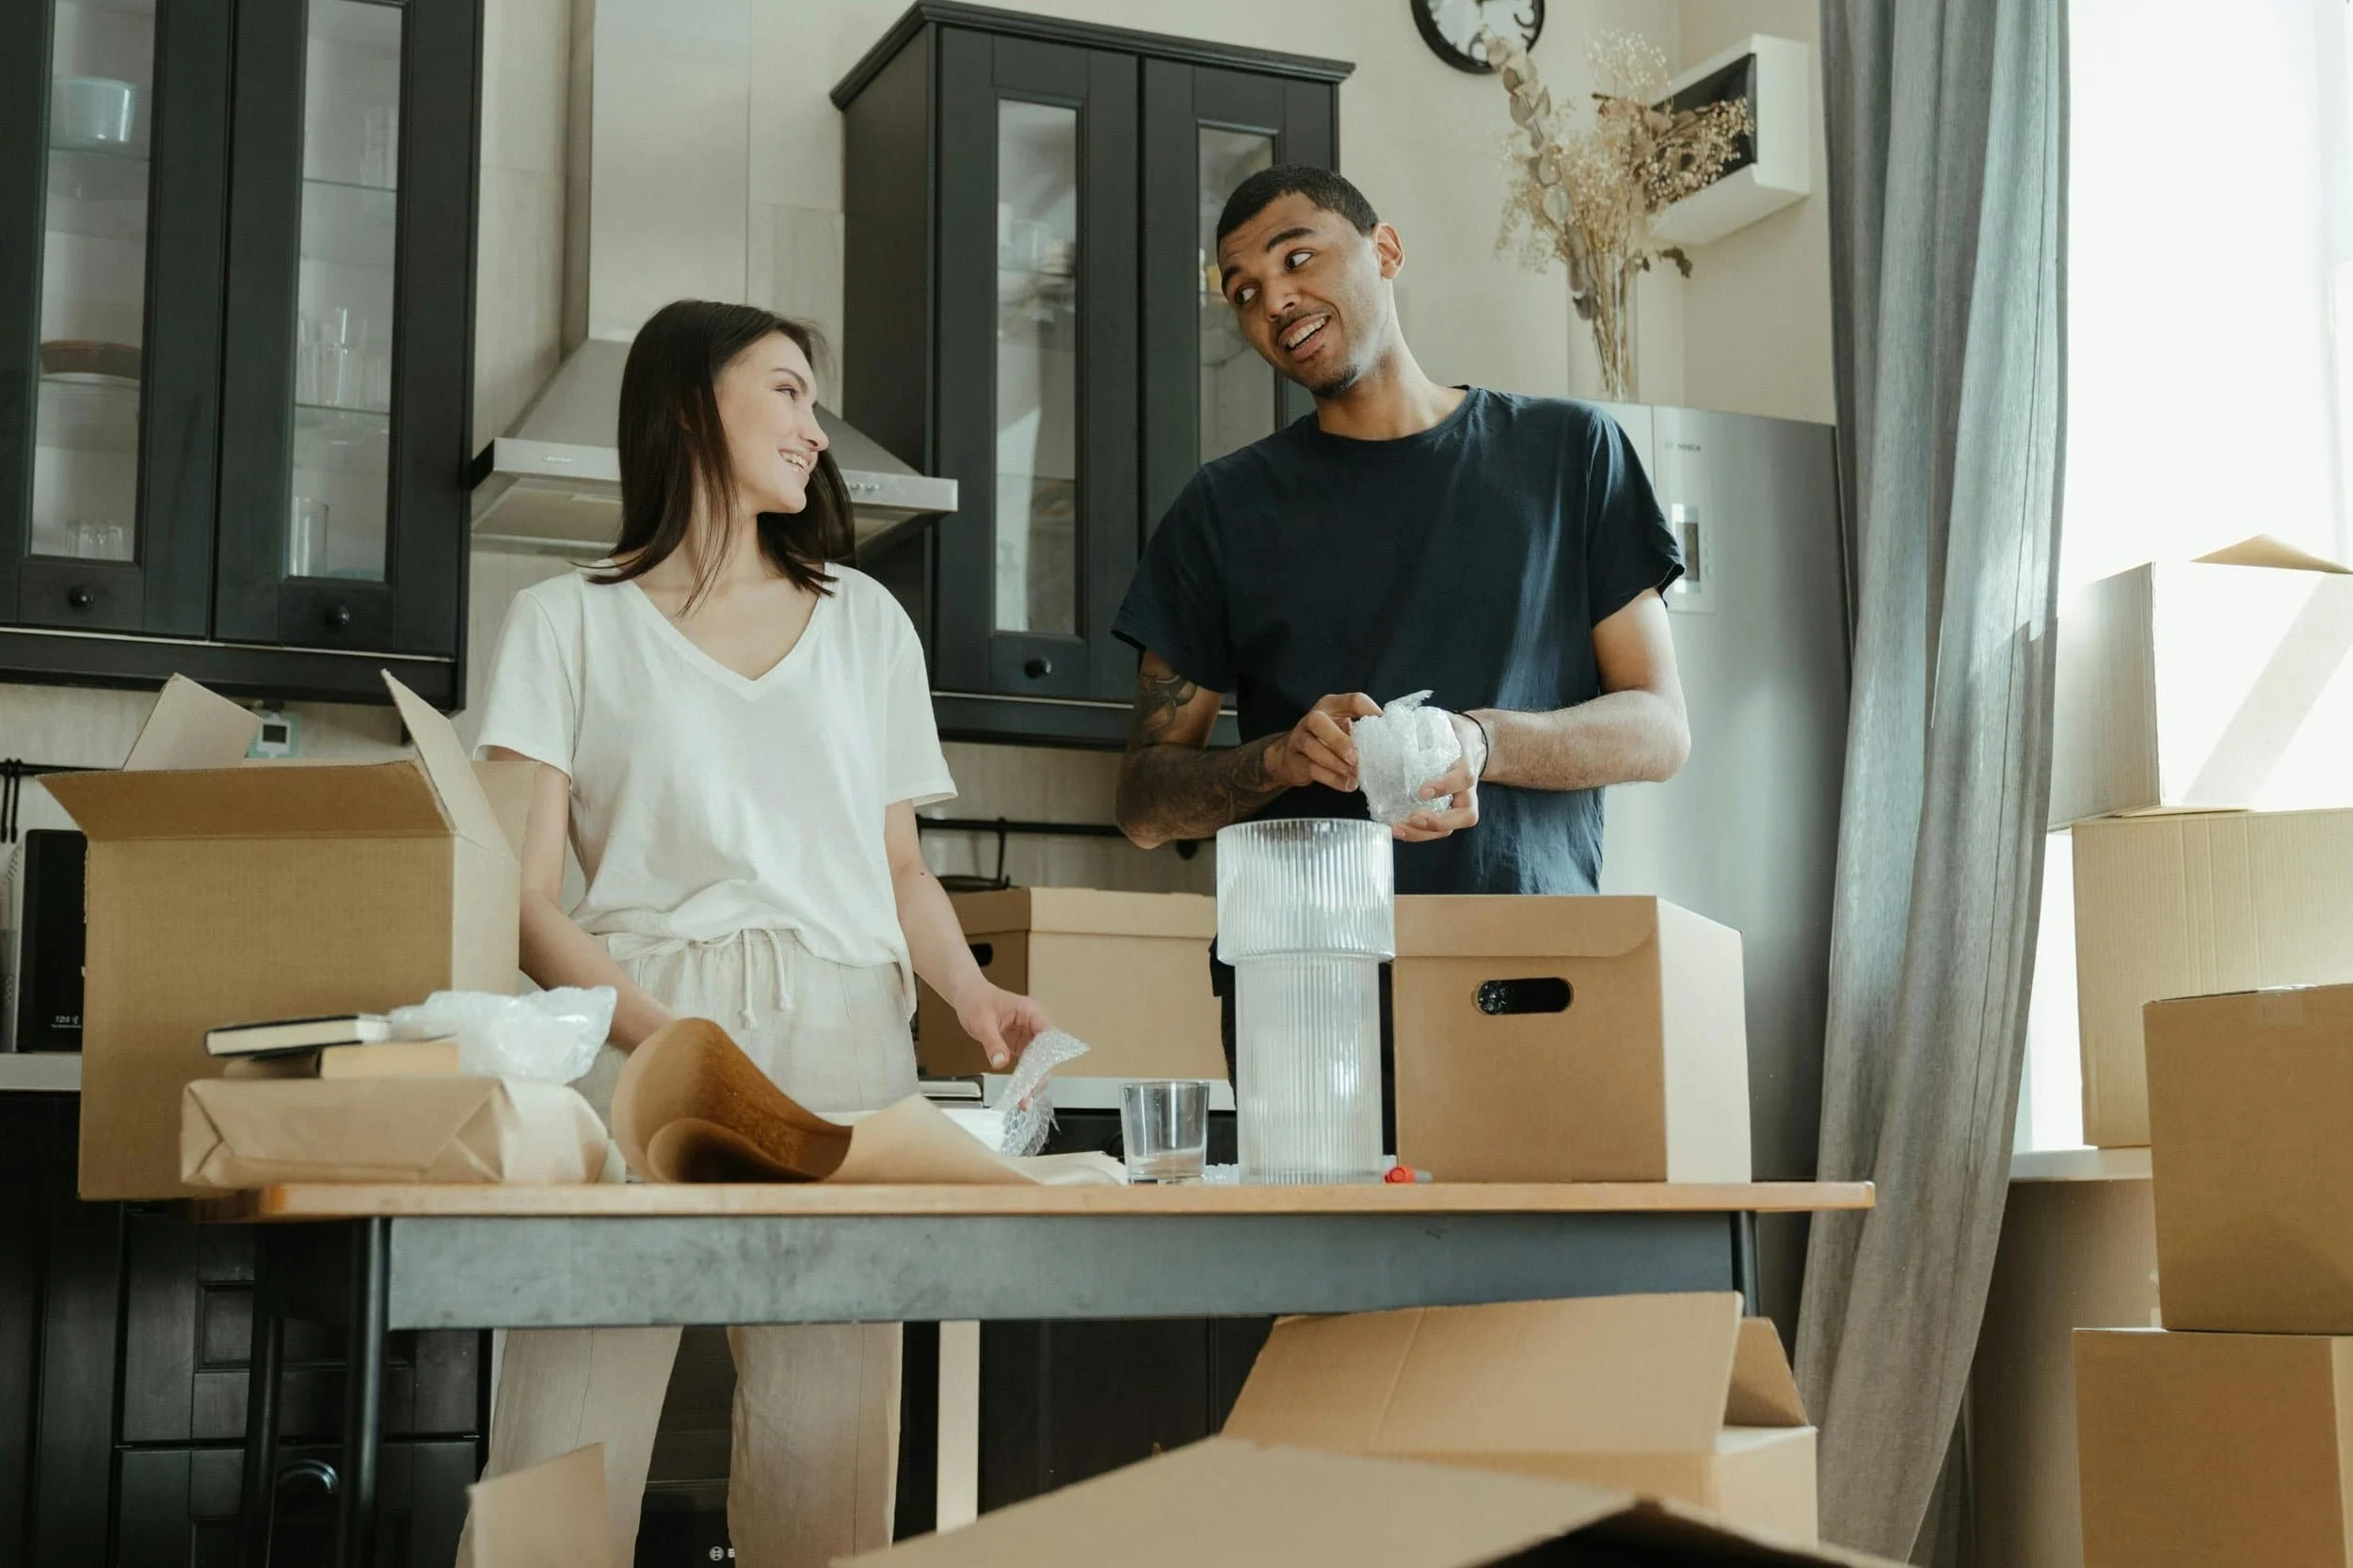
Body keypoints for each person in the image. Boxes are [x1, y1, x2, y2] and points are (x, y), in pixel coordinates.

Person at [460, 300, 1050, 1566]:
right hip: (641, 1031)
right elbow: (519, 900)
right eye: (784, 391)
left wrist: (970, 992)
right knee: (564, 1443)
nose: (812, 426)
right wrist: (675, 1043)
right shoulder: (563, 621)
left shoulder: (868, 623)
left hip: (847, 1046)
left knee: (826, 1459)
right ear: (689, 406)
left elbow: (900, 866)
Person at [1113, 166, 1690, 891]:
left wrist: (1482, 742)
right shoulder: (1221, 508)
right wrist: (1277, 760)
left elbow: (1660, 730)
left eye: (1297, 258)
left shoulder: (1569, 453)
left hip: (1530, 968)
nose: (1277, 300)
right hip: (1311, 971)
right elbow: (1142, 805)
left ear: (1385, 251)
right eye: (1244, 292)